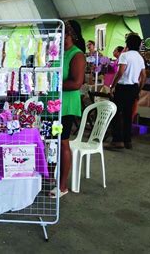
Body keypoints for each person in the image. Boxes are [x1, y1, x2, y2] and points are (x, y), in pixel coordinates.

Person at [51, 20, 86, 198]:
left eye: (63, 35)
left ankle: (62, 185)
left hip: (66, 105)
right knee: (50, 141)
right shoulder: (57, 52)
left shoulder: (77, 55)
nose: (60, 38)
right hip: (52, 104)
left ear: (71, 36)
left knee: (63, 142)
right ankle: (49, 177)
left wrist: (52, 84)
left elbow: (76, 83)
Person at [106, 34, 146, 149]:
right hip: (133, 88)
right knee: (128, 114)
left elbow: (120, 72)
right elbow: (143, 76)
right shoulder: (140, 57)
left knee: (116, 113)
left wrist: (112, 85)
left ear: (127, 43)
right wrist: (139, 89)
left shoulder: (124, 55)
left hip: (122, 87)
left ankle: (117, 140)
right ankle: (127, 140)